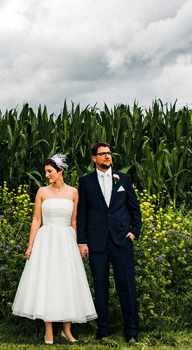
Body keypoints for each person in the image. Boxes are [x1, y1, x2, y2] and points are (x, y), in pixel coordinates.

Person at [12, 153, 97, 344]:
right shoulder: (42, 192)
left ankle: (67, 330)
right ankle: (48, 330)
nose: (47, 175)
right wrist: (30, 245)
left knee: (67, 281)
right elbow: (36, 220)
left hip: (66, 239)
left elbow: (75, 221)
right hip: (47, 240)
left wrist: (79, 244)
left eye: (50, 171)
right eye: (46, 172)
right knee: (47, 281)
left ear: (60, 171)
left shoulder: (74, 192)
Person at [77, 142, 142, 343]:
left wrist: (133, 232)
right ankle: (103, 330)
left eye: (109, 153)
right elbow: (82, 214)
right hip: (97, 243)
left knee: (127, 286)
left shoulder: (123, 178)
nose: (107, 156)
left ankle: (131, 331)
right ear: (94, 158)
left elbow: (135, 209)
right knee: (101, 286)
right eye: (102, 154)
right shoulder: (86, 182)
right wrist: (82, 241)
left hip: (122, 240)